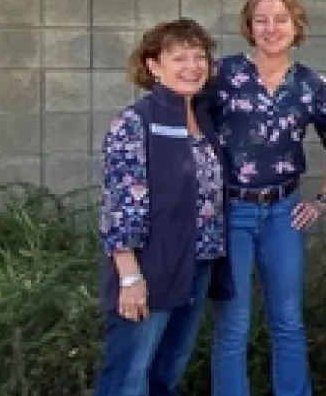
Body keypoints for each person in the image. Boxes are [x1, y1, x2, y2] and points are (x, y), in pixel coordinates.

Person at [206, 0, 326, 396]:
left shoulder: (314, 84)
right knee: (233, 323)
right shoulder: (222, 75)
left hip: (284, 211)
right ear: (249, 26)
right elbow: (194, 136)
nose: (271, 28)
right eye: (261, 19)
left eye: (281, 19)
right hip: (232, 213)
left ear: (297, 26)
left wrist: (324, 199)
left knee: (288, 320)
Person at [94, 19, 226, 396]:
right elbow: (120, 203)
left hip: (197, 263)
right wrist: (130, 277)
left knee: (166, 372)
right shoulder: (136, 121)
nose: (192, 66)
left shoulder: (202, 118)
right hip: (151, 268)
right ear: (153, 66)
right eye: (178, 57)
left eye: (199, 57)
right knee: (128, 378)